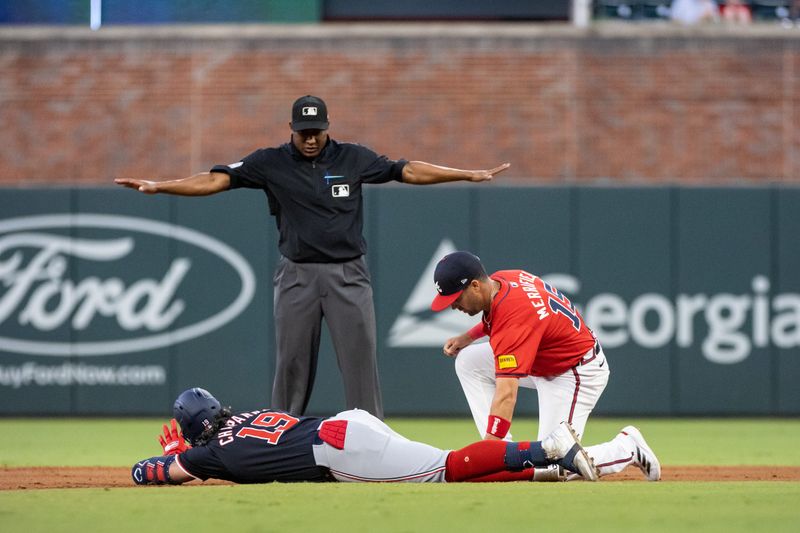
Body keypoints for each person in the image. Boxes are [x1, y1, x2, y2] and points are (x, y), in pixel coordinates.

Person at [115, 95, 509, 419]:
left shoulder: (351, 158)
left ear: (327, 128)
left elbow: (404, 171)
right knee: (291, 367)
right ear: (291, 130)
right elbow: (216, 180)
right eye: (303, 132)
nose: (310, 139)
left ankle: (370, 444)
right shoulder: (269, 162)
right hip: (297, 276)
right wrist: (160, 186)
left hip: (348, 275)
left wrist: (465, 174)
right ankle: (276, 442)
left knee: (359, 366)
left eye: (316, 131)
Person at [429, 251, 661, 481]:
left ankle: (627, 447)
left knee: (554, 465)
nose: (453, 306)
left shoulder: (513, 318)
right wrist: (468, 337)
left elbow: (506, 395)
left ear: (475, 286)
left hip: (575, 372)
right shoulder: (504, 279)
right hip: (544, 359)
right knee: (469, 362)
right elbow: (499, 320)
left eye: (456, 298)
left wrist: (487, 455)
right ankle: (503, 452)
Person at [131, 387, 601, 485]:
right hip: (347, 423)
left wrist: (171, 457)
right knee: (440, 469)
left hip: (339, 450)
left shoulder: (210, 454)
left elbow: (153, 473)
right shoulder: (246, 416)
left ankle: (545, 449)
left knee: (448, 468)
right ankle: (545, 471)